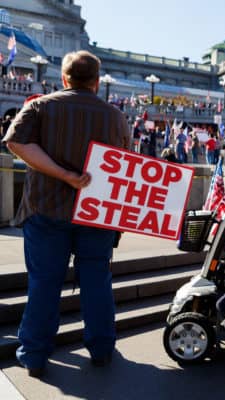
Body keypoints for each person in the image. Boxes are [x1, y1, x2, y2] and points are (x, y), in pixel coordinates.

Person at [2, 50, 130, 377]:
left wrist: (63, 174)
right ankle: (101, 348)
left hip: (46, 208)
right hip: (96, 213)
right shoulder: (115, 117)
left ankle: (34, 354)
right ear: (97, 82)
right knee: (96, 281)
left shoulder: (40, 105)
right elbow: (129, 168)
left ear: (64, 78)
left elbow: (15, 143)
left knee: (44, 283)